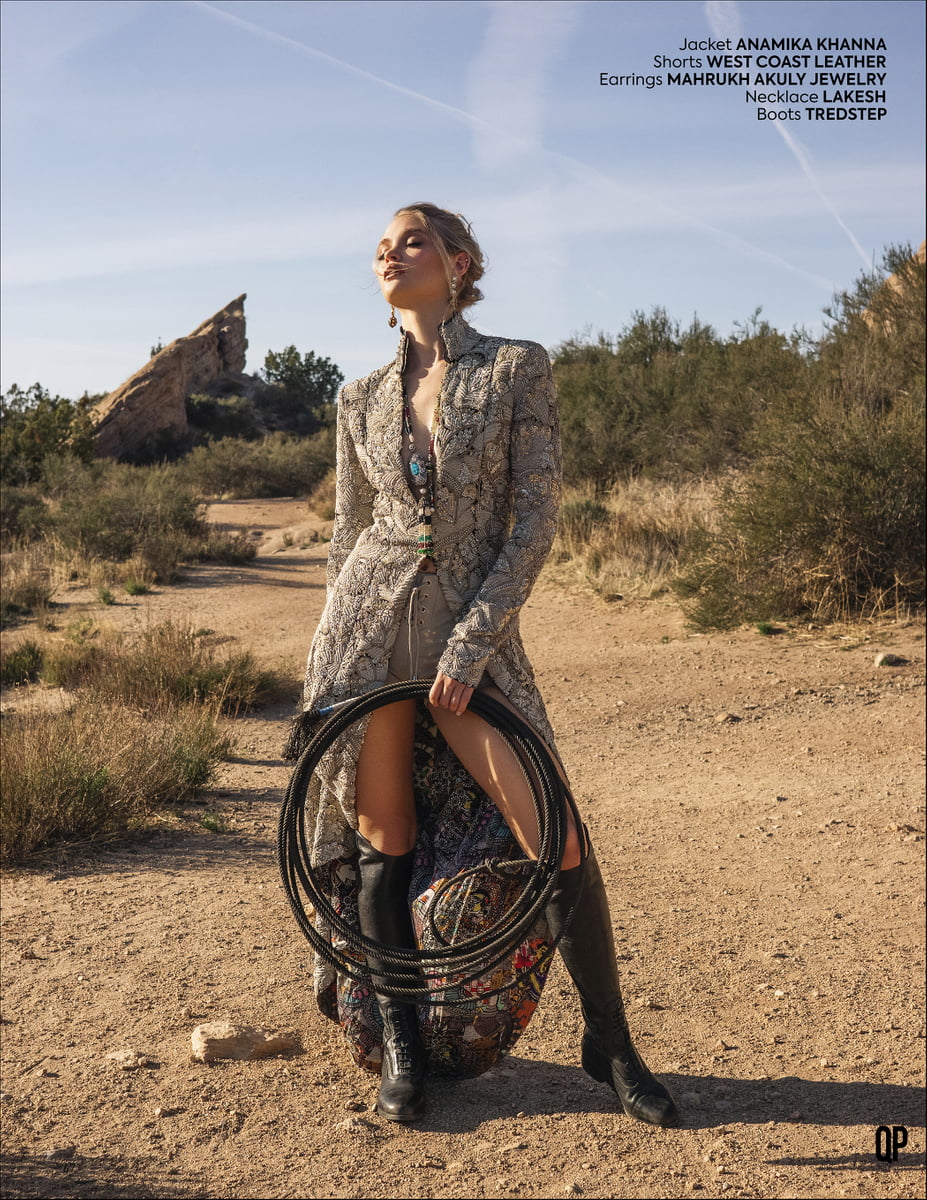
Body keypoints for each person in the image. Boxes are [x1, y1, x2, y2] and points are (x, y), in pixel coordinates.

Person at [289, 202, 678, 1128]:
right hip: (365, 629)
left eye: (412, 240)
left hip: (471, 629)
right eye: (381, 248)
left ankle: (610, 1044)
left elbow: (534, 519)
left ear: (459, 263)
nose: (391, 255)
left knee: (557, 835)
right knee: (383, 843)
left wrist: (470, 643)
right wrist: (328, 666)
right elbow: (348, 533)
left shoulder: (514, 367)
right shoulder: (356, 395)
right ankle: (404, 1053)